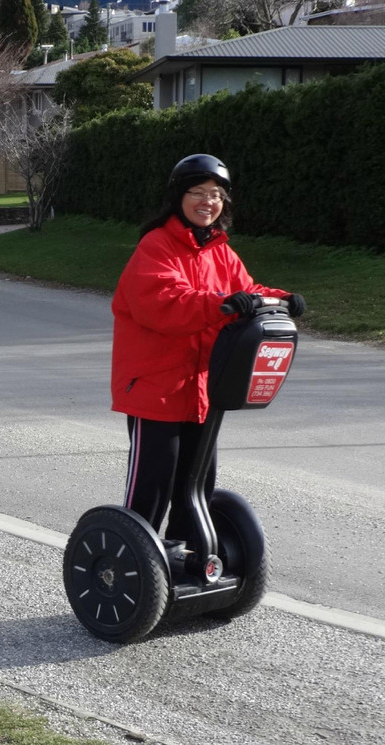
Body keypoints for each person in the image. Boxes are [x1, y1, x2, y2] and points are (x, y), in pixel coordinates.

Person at [111, 153, 305, 543]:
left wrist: (282, 298)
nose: (208, 202)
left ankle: (185, 559)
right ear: (178, 198)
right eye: (197, 193)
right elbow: (164, 303)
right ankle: (130, 564)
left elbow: (246, 290)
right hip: (156, 388)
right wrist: (221, 304)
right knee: (154, 485)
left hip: (203, 387)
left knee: (196, 483)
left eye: (216, 194)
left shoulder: (220, 250)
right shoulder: (157, 245)